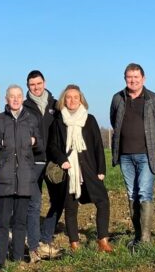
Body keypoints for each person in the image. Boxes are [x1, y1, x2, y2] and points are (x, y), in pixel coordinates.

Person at [109, 63, 155, 246]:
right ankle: (137, 236)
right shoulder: (117, 99)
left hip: (147, 155)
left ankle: (145, 240)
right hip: (125, 156)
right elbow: (115, 122)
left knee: (144, 193)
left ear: (143, 79)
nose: (133, 80)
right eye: (129, 77)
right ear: (125, 79)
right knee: (132, 194)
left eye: (136, 77)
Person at [47, 84, 112, 252]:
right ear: (64, 100)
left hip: (89, 168)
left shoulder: (89, 120)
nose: (72, 100)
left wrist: (101, 170)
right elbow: (52, 146)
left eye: (76, 97)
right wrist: (62, 160)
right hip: (70, 171)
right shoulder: (58, 121)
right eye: (69, 97)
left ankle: (102, 240)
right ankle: (74, 243)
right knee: (71, 206)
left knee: (103, 201)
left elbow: (98, 145)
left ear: (81, 99)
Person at [0, 85, 42, 271]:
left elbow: (41, 144)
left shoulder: (31, 120)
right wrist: (1, 142)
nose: (16, 100)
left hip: (25, 178)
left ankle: (16, 259)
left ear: (22, 99)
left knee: (20, 222)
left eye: (18, 96)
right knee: (2, 223)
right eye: (12, 97)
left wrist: (34, 142)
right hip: (5, 178)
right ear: (6, 99)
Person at [22, 69, 62, 259]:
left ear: (44, 83)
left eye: (38, 83)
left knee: (58, 200)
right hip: (33, 162)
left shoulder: (56, 105)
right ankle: (34, 244)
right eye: (32, 85)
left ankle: (46, 237)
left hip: (53, 162)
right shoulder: (24, 107)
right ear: (28, 86)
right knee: (34, 203)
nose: (36, 88)